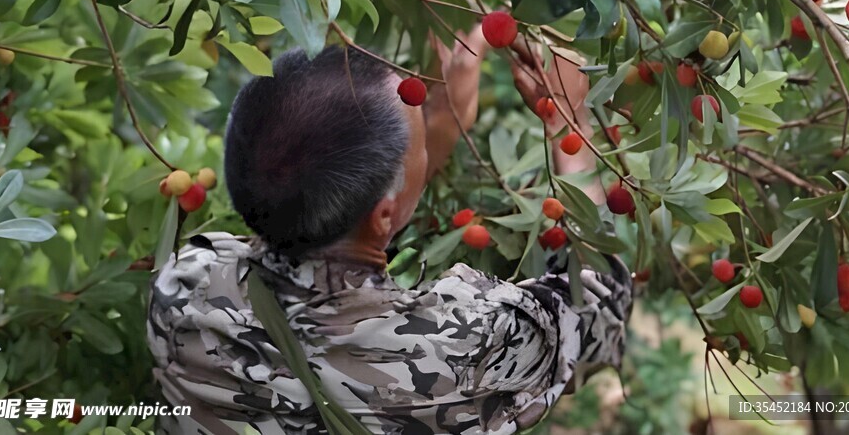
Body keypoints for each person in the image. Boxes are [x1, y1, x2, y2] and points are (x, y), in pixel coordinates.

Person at [146, 27, 632, 435]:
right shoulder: (453, 348)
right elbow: (596, 310)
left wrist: (444, 120)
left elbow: (345, 233)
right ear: (383, 215)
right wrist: (570, 122)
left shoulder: (184, 289)